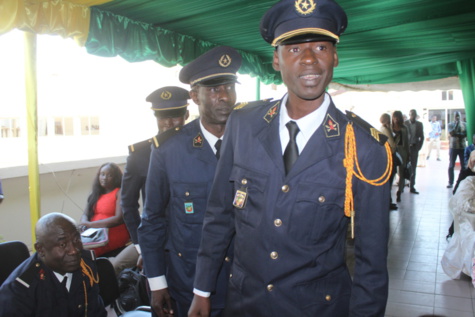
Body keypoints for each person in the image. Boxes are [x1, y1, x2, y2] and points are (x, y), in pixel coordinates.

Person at [189, 1, 391, 316]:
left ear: (335, 57)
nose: (309, 59)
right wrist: (202, 289)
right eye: (294, 49)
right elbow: (219, 214)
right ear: (276, 59)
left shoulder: (364, 148)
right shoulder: (243, 124)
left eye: (321, 47)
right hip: (245, 303)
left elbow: (372, 259)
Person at [138, 46, 242, 317]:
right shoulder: (169, 151)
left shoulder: (252, 143)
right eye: (213, 89)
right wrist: (157, 283)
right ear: (195, 96)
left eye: (228, 88)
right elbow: (152, 220)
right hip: (189, 282)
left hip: (243, 284)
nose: (224, 97)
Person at [121, 86, 190, 270]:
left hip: (194, 240)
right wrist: (141, 245)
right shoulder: (140, 154)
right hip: (158, 241)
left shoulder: (201, 150)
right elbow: (127, 203)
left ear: (187, 115)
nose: (168, 122)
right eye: (162, 116)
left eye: (175, 115)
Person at [0, 212, 106, 317]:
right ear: (40, 249)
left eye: (76, 240)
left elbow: (96, 312)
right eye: (62, 244)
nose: (74, 250)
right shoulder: (19, 290)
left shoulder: (86, 266)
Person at [80, 162, 131, 259]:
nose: (104, 178)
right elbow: (85, 214)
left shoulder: (120, 192)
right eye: (102, 174)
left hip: (111, 234)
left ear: (116, 177)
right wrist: (84, 222)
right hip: (94, 233)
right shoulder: (95, 194)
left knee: (84, 253)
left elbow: (118, 219)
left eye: (109, 175)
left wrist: (90, 225)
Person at [380, 113, 398, 210]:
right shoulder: (386, 130)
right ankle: (388, 202)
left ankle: (388, 201)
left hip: (385, 158)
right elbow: (393, 145)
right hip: (390, 157)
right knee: (389, 181)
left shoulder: (381, 129)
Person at [404, 109, 424, 194]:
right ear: (409, 115)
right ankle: (403, 184)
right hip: (406, 148)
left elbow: (421, 137)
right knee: (404, 167)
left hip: (414, 147)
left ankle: (412, 186)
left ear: (416, 115)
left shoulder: (419, 124)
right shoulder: (405, 124)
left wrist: (418, 147)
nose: (412, 116)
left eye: (414, 115)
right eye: (411, 114)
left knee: (413, 167)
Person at [393, 110, 409, 203]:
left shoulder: (404, 128)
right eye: (394, 117)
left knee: (402, 172)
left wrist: (408, 154)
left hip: (402, 151)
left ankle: (399, 190)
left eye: (397, 117)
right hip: (394, 151)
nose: (396, 119)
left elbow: (407, 141)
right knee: (394, 171)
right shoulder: (390, 128)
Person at [447, 111, 467, 188]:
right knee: (451, 165)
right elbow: (452, 133)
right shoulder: (451, 124)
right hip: (453, 147)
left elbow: (465, 134)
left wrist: (457, 135)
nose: (457, 117)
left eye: (458, 115)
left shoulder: (465, 124)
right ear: (454, 116)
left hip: (462, 147)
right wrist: (456, 125)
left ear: (460, 116)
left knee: (464, 166)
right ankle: (450, 182)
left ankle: (462, 181)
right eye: (456, 116)